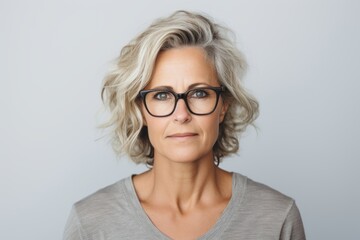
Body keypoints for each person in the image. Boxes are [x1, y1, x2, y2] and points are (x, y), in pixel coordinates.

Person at [63, 10, 306, 240]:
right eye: (161, 95)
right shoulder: (91, 223)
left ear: (223, 106)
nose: (181, 114)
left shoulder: (277, 217)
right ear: (139, 110)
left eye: (199, 94)